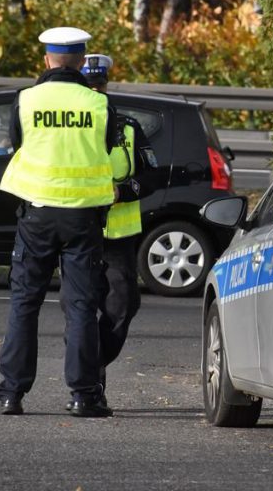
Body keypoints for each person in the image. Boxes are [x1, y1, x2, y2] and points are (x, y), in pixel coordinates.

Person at [0, 27, 119, 418]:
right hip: (83, 216)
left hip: (37, 213)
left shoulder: (25, 100)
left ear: (47, 60)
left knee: (24, 302)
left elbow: (19, 144)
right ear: (82, 61)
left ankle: (12, 394)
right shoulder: (99, 105)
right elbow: (108, 149)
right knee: (82, 305)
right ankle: (84, 395)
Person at [63, 53, 157, 410]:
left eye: (100, 85)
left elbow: (149, 176)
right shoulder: (72, 126)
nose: (96, 90)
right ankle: (87, 383)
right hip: (80, 229)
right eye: (90, 85)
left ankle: (93, 362)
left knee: (123, 306)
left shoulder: (127, 126)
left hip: (120, 236)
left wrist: (124, 190)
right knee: (80, 309)